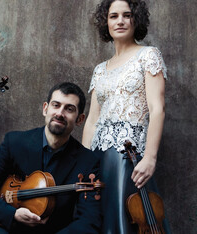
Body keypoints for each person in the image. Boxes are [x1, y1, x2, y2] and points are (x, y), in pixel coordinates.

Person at [82, 0, 170, 233]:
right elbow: (92, 120)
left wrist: (150, 157)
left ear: (135, 19)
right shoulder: (100, 69)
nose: (120, 21)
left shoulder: (148, 55)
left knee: (126, 219)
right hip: (99, 157)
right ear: (106, 22)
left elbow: (157, 108)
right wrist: (84, 162)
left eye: (126, 15)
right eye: (113, 16)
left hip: (128, 157)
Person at [0, 82, 101, 233]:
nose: (60, 113)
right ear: (45, 109)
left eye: (69, 109)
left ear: (80, 119)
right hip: (8, 228)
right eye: (56, 105)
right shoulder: (14, 142)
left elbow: (89, 221)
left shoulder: (88, 162)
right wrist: (12, 214)